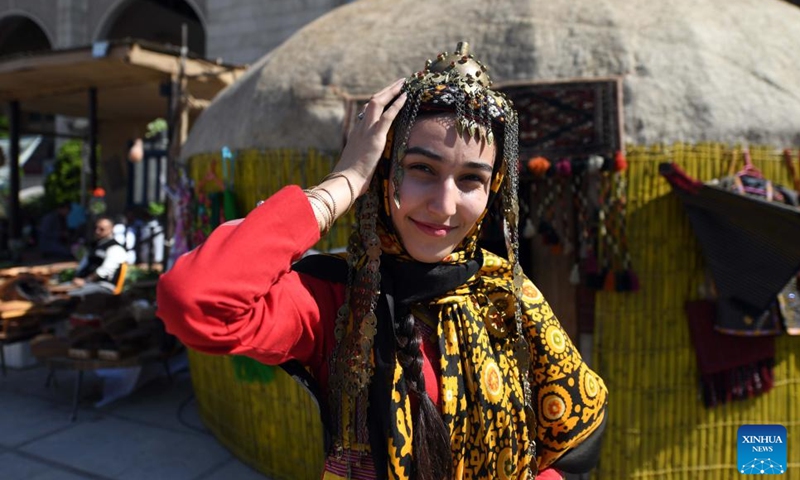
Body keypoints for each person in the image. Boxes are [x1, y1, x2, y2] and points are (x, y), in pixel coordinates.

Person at [157, 42, 608, 480]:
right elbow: (195, 301)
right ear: (384, 168)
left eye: (471, 179)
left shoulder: (505, 289)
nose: (446, 206)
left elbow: (578, 435)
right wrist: (345, 179)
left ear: (493, 189)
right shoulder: (335, 300)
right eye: (422, 169)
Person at [69, 216, 127, 297]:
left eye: (101, 229)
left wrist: (85, 281)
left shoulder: (115, 248)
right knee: (55, 290)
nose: (97, 231)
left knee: (70, 294)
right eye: (96, 228)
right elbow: (83, 264)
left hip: (103, 286)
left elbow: (104, 271)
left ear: (111, 229)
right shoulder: (94, 245)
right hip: (85, 283)